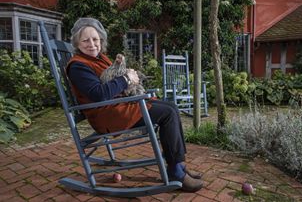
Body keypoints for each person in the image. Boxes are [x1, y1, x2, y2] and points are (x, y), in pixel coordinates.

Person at [66, 17, 203, 192]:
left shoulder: (100, 59)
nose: (92, 44)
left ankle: (180, 165)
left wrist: (130, 79)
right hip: (108, 115)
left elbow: (113, 82)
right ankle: (175, 171)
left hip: (118, 106)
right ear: (77, 43)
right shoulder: (78, 66)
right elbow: (99, 94)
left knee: (171, 108)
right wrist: (126, 79)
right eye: (85, 40)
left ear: (101, 40)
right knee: (167, 114)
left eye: (95, 39)